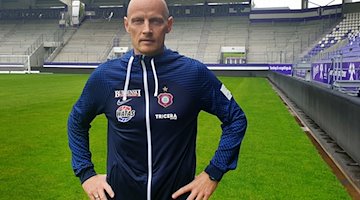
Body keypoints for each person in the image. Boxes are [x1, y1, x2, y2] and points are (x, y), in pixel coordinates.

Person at [67, 0, 247, 199]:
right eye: (138, 21)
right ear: (127, 24)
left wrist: (213, 173)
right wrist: (86, 174)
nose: (146, 29)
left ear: (168, 25)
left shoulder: (192, 74)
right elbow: (77, 121)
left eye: (155, 21)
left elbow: (236, 119)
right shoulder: (105, 77)